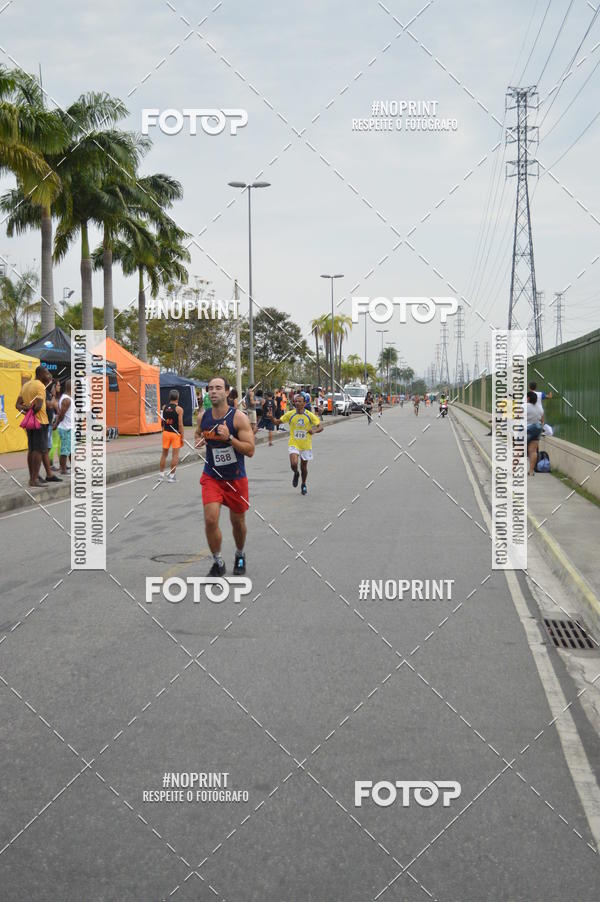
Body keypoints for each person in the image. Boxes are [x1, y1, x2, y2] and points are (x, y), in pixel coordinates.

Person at [194, 376, 255, 576]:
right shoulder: (204, 417)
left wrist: (229, 438)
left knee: (237, 522)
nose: (213, 391)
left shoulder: (238, 418)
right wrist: (200, 440)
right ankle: (218, 561)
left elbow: (250, 450)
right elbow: (197, 433)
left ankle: (239, 553)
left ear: (227, 392)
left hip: (236, 478)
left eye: (218, 388)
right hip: (212, 476)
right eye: (210, 388)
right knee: (211, 520)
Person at [270, 393, 323, 495]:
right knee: (294, 464)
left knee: (304, 467)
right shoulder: (290, 414)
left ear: (304, 403)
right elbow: (277, 422)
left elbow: (320, 427)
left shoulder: (309, 415)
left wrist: (314, 431)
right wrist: (271, 418)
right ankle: (296, 473)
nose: (297, 403)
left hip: (305, 445)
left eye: (300, 401)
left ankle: (303, 484)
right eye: (296, 401)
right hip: (294, 443)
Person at [16, 365, 60, 487]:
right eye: (46, 373)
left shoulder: (26, 385)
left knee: (31, 449)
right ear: (40, 374)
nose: (48, 375)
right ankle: (34, 479)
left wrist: (27, 413)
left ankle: (32, 478)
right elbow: (39, 406)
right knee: (39, 450)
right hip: (40, 422)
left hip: (29, 423)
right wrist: (31, 412)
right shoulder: (40, 386)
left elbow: (17, 404)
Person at [159, 389, 184, 482]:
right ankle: (172, 476)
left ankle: (161, 475)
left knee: (164, 454)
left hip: (166, 433)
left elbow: (163, 420)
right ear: (178, 397)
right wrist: (182, 436)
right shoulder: (179, 409)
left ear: (169, 397)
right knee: (175, 455)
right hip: (175, 434)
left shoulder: (164, 407)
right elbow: (180, 424)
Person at [53, 378, 73, 474]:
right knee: (65, 449)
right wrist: (56, 424)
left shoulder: (68, 398)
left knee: (70, 449)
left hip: (69, 427)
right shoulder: (66, 400)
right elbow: (61, 414)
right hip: (66, 428)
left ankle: (72, 467)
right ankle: (63, 469)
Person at [527, 389, 543, 476]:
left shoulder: (525, 406)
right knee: (533, 451)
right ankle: (531, 471)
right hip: (537, 429)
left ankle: (512, 470)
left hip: (527, 429)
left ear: (528, 398)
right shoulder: (539, 408)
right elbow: (542, 418)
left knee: (517, 449)